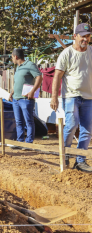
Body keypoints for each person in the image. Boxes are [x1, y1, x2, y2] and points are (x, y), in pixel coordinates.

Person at [50, 23, 92, 173]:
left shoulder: (91, 52)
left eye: (88, 36)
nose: (85, 39)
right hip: (71, 96)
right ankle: (65, 153)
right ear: (75, 36)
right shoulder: (66, 53)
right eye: (83, 36)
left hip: (89, 98)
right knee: (72, 125)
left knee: (87, 130)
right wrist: (54, 97)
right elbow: (57, 76)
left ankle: (80, 161)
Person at [9, 48, 42, 143]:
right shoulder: (18, 67)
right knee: (19, 122)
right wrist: (12, 92)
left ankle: (29, 142)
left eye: (12, 57)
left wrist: (32, 91)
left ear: (16, 56)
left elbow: (39, 77)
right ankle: (20, 141)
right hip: (16, 99)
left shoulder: (30, 65)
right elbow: (18, 82)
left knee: (29, 121)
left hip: (25, 99)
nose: (12, 59)